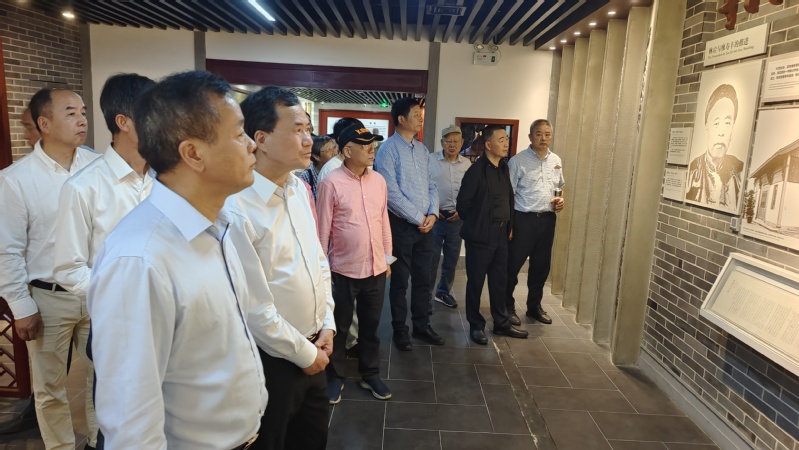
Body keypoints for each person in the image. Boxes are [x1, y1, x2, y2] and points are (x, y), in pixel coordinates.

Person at [87, 71, 267, 449]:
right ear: (193, 154)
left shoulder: (223, 223)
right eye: (239, 134)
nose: (252, 145)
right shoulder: (140, 259)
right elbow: (132, 424)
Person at [0, 88, 100, 450]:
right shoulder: (16, 179)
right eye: (71, 113)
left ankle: (98, 442)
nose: (82, 120)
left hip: (96, 288)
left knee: (102, 378)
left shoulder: (98, 166)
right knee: (51, 388)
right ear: (44, 123)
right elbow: (7, 249)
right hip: (48, 297)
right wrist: (21, 307)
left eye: (83, 111)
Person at [236, 86, 335, 450]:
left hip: (315, 346)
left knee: (312, 439)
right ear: (260, 139)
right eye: (297, 130)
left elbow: (317, 261)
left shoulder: (297, 188)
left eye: (308, 129)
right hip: (271, 360)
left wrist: (328, 322)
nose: (309, 140)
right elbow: (253, 306)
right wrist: (306, 355)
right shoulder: (238, 206)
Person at [54, 73, 155, 313]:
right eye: (155, 114)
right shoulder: (83, 187)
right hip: (117, 313)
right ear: (123, 122)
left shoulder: (166, 177)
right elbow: (69, 270)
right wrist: (125, 292)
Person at [317, 124, 392, 404]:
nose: (372, 149)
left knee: (371, 328)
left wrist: (387, 258)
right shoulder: (331, 183)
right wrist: (322, 271)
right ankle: (335, 377)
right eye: (365, 145)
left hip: (375, 268)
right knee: (339, 326)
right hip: (342, 270)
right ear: (348, 151)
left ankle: (370, 374)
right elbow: (322, 231)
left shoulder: (379, 181)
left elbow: (383, 221)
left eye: (373, 144)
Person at [374, 97, 444, 351]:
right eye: (415, 114)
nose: (420, 118)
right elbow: (390, 193)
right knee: (400, 282)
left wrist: (433, 214)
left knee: (424, 279)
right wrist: (418, 218)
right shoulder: (388, 149)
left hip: (426, 225)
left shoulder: (422, 150)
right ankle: (400, 330)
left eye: (420, 114)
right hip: (402, 225)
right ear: (401, 119)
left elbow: (432, 185)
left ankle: (421, 326)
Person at [457, 125, 528, 345]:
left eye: (506, 139)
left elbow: (508, 199)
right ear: (488, 144)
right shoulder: (475, 171)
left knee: (499, 280)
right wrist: (478, 225)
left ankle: (501, 322)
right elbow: (463, 205)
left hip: (501, 234)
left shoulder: (504, 168)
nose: (506, 143)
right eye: (501, 139)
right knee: (476, 283)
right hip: (480, 236)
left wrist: (509, 225)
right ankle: (476, 325)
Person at [506, 119, 565, 326]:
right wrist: (509, 226)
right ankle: (507, 307)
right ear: (530, 136)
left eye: (547, 134)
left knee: (541, 266)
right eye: (539, 134)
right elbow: (508, 195)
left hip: (547, 220)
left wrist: (560, 200)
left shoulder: (556, 160)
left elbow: (560, 187)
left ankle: (534, 307)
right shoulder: (517, 161)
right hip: (523, 220)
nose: (543, 138)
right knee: (512, 266)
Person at [429, 125, 471, 310]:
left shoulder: (467, 164)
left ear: (461, 143)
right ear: (442, 142)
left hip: (457, 219)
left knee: (451, 260)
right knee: (431, 259)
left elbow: (471, 192)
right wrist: (431, 209)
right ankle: (425, 296)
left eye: (455, 141)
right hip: (435, 218)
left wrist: (462, 211)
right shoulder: (430, 160)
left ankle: (443, 292)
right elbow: (424, 186)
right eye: (448, 141)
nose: (452, 145)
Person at [686, 84, 743, 212]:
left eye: (727, 123)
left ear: (733, 129)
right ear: (707, 125)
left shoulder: (739, 173)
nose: (721, 132)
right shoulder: (693, 171)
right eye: (716, 123)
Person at [318, 117, 362, 182]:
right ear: (341, 138)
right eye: (356, 135)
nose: (362, 140)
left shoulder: (364, 164)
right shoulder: (330, 169)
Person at [299, 135, 338, 200]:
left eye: (334, 148)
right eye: (329, 150)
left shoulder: (339, 168)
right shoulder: (306, 178)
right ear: (316, 157)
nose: (334, 153)